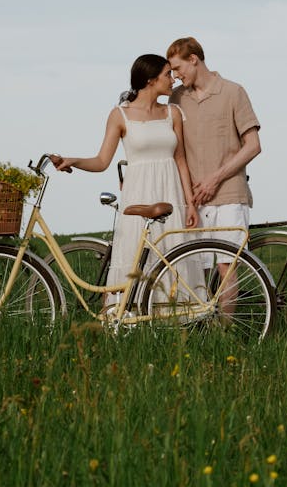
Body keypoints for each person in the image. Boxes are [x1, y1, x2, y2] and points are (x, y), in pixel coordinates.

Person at [50, 54, 200, 298]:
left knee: (174, 254)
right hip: (138, 193)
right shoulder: (120, 115)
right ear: (150, 80)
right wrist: (73, 161)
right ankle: (131, 317)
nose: (172, 79)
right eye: (167, 74)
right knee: (134, 256)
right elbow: (101, 161)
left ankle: (177, 318)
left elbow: (181, 160)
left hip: (171, 194)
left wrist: (191, 203)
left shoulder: (173, 113)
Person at [166, 36, 261, 250]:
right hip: (193, 200)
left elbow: (253, 145)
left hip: (229, 195)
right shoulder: (176, 98)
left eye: (177, 68)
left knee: (227, 269)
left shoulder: (233, 92)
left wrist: (214, 179)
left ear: (193, 59)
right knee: (198, 274)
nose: (175, 76)